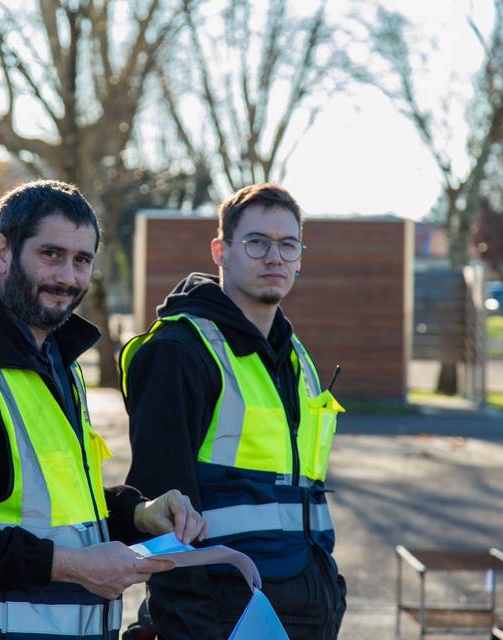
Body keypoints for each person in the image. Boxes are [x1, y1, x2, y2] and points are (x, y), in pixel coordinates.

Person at [0, 180, 207, 639]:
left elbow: (53, 513)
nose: (68, 277)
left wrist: (138, 513)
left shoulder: (57, 362)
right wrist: (74, 567)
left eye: (82, 260)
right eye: (50, 254)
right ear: (2, 252)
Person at [120, 183, 347, 639]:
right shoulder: (180, 352)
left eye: (288, 244)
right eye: (256, 242)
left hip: (305, 611)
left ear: (301, 257)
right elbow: (164, 516)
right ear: (220, 251)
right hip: (223, 617)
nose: (274, 257)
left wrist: (330, 590)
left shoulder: (294, 354)